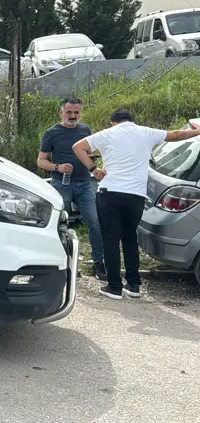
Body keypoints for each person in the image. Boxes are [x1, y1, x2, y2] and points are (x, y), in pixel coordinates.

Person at [73, 109, 200, 300]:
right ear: (131, 121)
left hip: (110, 193)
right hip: (136, 196)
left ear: (113, 123)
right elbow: (176, 135)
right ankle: (133, 284)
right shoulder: (146, 132)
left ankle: (114, 286)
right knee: (130, 238)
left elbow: (78, 147)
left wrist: (94, 169)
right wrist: (197, 131)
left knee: (110, 240)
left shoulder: (107, 134)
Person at [38, 98, 105, 280]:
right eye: (69, 112)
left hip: (85, 183)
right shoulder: (51, 133)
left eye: (76, 112)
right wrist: (57, 167)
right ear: (61, 113)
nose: (73, 116)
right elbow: (41, 161)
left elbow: (88, 154)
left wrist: (93, 161)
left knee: (95, 222)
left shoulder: (85, 130)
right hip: (62, 184)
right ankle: (64, 263)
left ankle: (99, 263)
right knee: (61, 225)